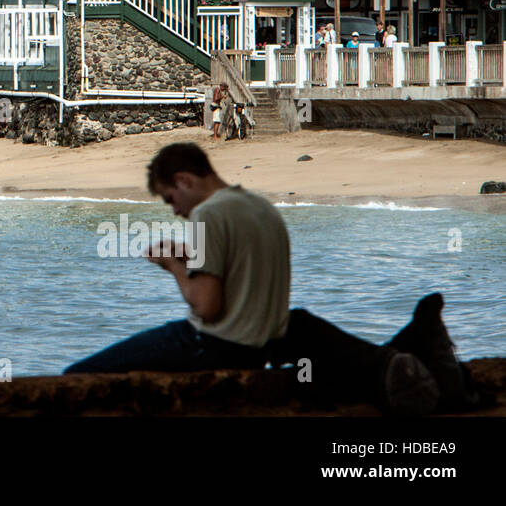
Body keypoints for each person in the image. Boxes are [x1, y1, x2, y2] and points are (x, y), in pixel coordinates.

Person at [62, 143, 485, 415]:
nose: (175, 211)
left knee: (76, 377)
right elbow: (247, 270)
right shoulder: (260, 207)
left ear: (184, 180)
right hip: (263, 342)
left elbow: (207, 307)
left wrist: (173, 267)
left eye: (172, 200)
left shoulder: (208, 214)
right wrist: (192, 255)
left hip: (213, 345)